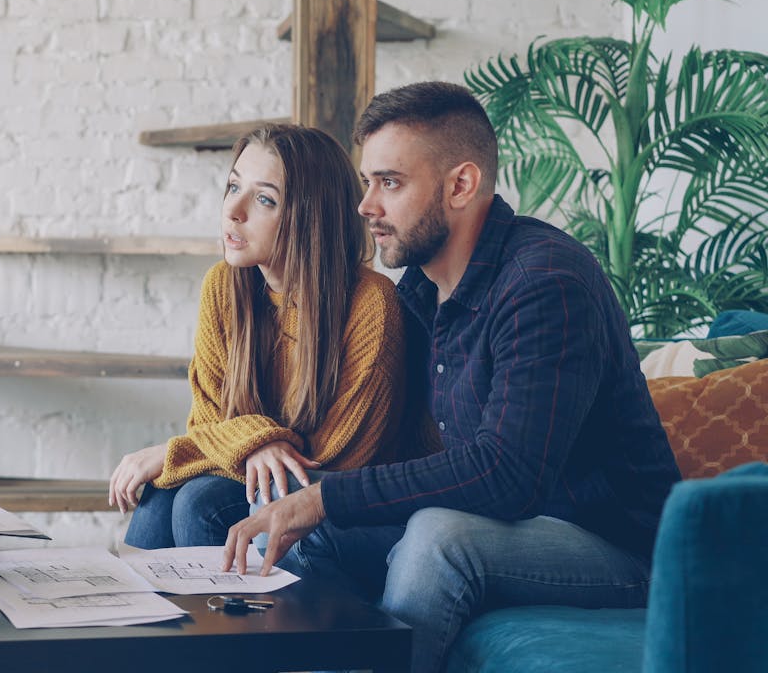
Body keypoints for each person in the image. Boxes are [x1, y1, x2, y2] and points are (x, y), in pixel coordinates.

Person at [222, 82, 683, 672]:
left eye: (389, 182)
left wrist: (326, 496)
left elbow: (506, 473)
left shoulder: (543, 282)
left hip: (617, 548)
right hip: (512, 526)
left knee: (438, 540)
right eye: (368, 182)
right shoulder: (418, 291)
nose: (366, 206)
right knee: (287, 531)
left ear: (460, 185)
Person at [110, 123, 428, 549]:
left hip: (344, 506)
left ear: (310, 215)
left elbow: (334, 460)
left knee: (198, 499)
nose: (234, 211)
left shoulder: (371, 303)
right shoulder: (225, 286)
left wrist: (183, 450)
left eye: (264, 199)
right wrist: (255, 444)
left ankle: (235, 615)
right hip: (260, 481)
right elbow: (208, 422)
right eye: (232, 187)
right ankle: (139, 612)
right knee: (164, 491)